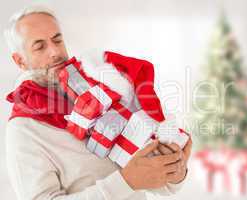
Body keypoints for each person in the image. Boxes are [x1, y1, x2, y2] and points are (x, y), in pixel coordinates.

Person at [4, 5, 192, 200]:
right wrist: (126, 182)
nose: (54, 52)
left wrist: (175, 172)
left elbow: (151, 177)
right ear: (20, 61)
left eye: (57, 40)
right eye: (40, 46)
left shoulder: (99, 87)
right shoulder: (23, 128)